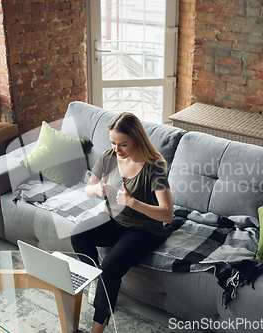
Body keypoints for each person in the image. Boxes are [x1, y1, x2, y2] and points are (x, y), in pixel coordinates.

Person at [70, 112, 174, 333]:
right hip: (113, 220)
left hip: (144, 230)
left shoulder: (155, 166)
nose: (117, 149)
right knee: (78, 234)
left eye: (123, 144)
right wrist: (96, 189)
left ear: (136, 139)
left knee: (110, 267)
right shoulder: (109, 157)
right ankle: (95, 278)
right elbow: (88, 189)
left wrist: (132, 202)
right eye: (113, 143)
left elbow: (167, 214)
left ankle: (95, 331)